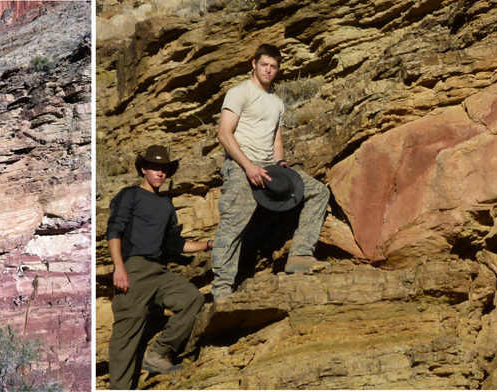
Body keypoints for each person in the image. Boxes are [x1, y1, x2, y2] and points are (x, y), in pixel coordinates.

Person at [211, 44, 330, 301]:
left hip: (268, 167)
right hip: (240, 166)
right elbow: (224, 133)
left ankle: (300, 254)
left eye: (274, 66)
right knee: (233, 225)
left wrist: (281, 163)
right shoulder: (239, 92)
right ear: (254, 64)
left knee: (317, 191)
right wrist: (248, 166)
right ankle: (221, 290)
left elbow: (276, 138)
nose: (269, 70)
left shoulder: (276, 101)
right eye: (264, 64)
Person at [107, 145, 211, 390]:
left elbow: (174, 243)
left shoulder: (166, 205)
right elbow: (114, 231)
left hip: (159, 271)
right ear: (143, 169)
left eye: (164, 169)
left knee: (192, 298)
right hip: (133, 270)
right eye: (154, 167)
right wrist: (119, 268)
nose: (160, 173)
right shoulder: (129, 195)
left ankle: (159, 353)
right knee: (125, 343)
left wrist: (207, 244)